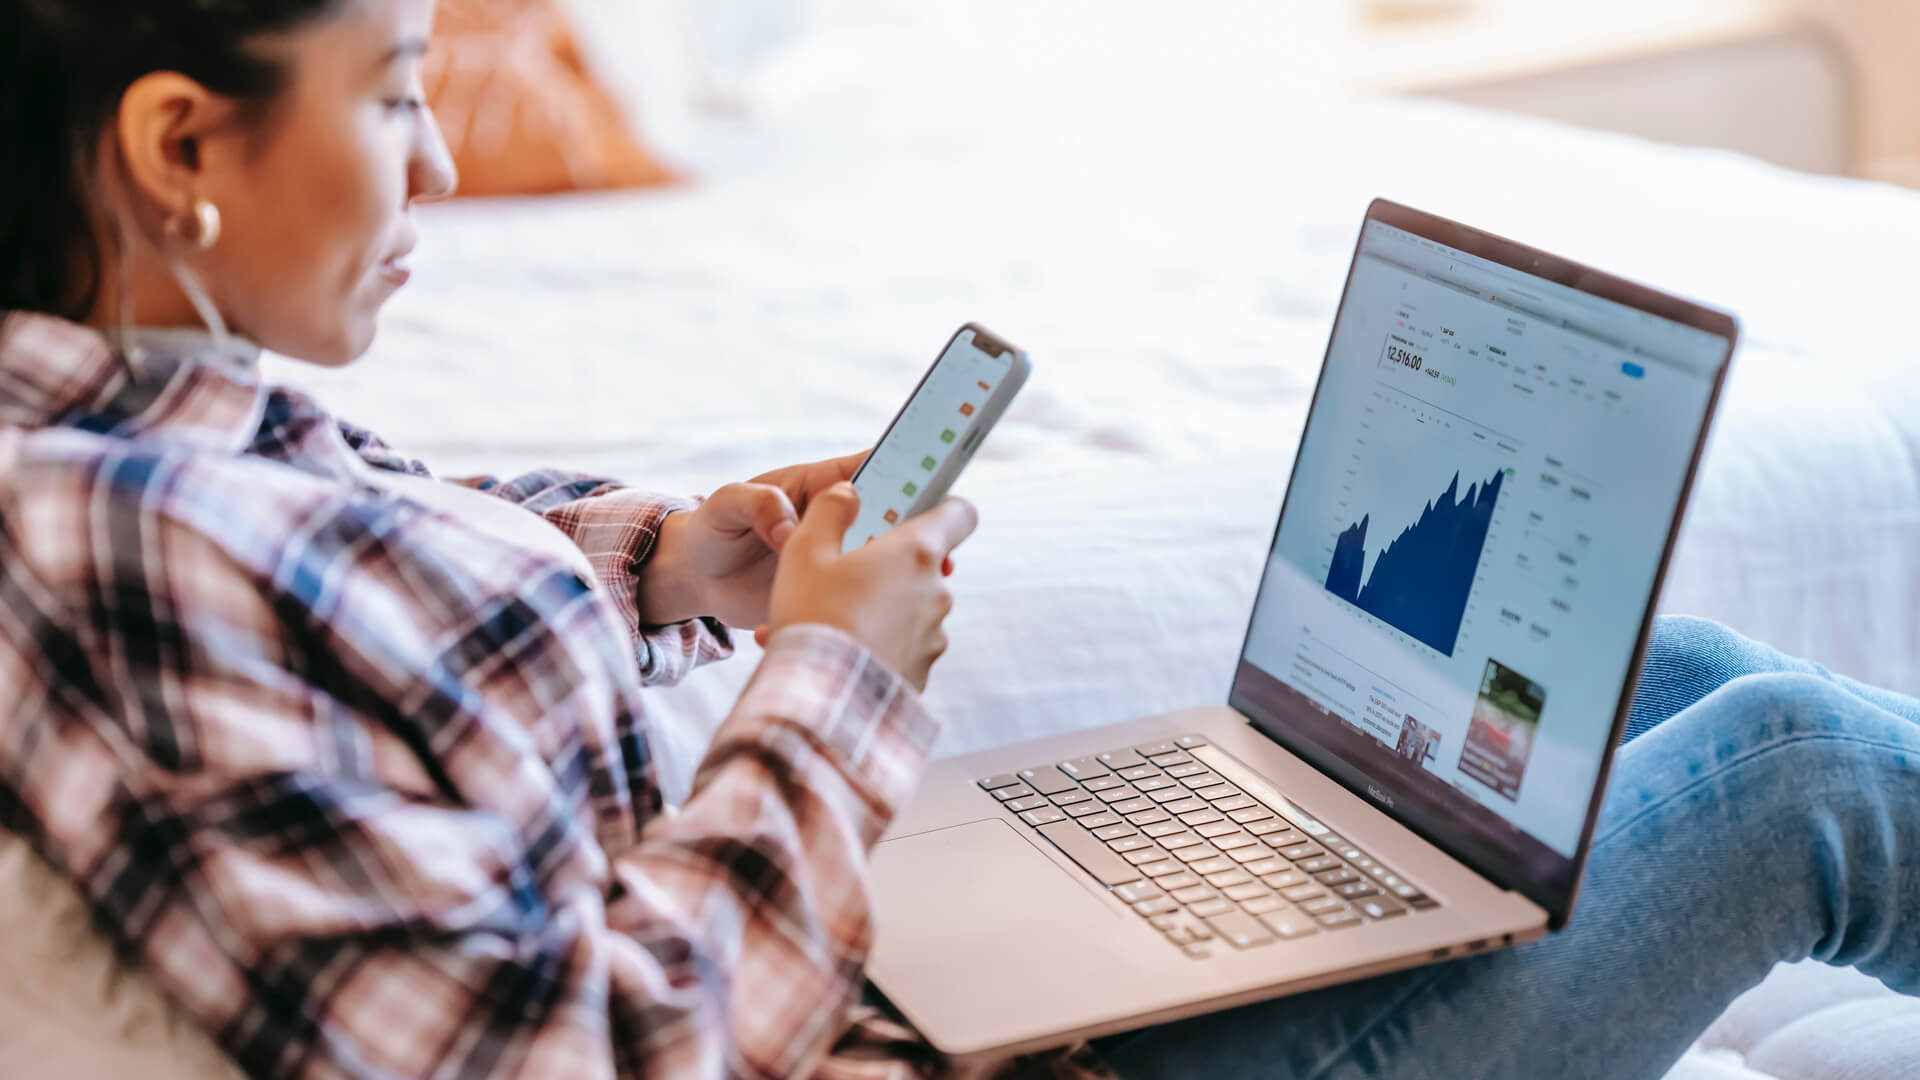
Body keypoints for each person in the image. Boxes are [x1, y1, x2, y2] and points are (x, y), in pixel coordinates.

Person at [0, 2, 1912, 1079]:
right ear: (182, 149)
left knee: (1657, 683)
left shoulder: (128, 435)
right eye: (402, 93)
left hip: (909, 996)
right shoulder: (117, 544)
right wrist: (832, 683)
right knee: (1797, 771)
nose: (434, 160)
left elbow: (360, 565)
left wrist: (675, 558)